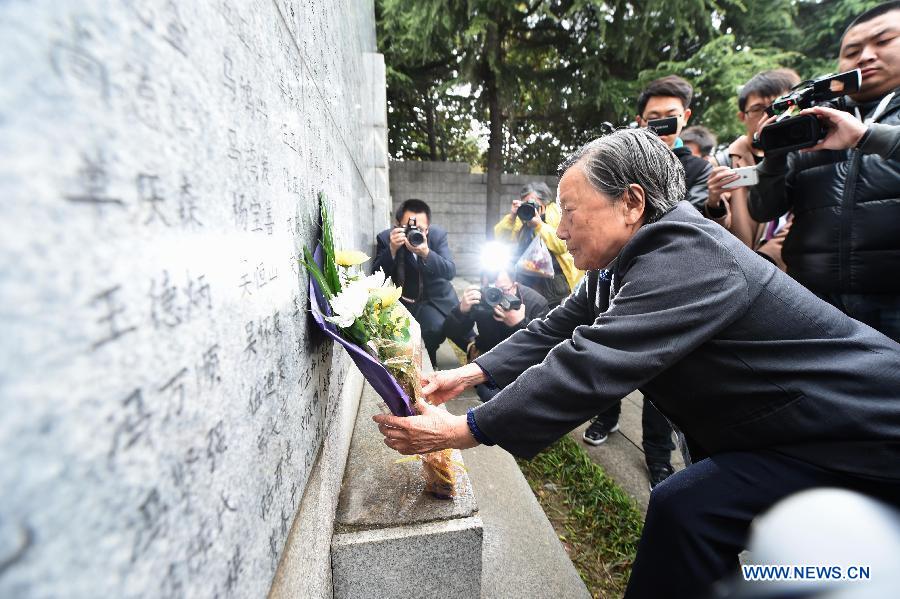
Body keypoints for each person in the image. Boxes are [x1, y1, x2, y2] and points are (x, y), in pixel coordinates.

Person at [373, 128, 900, 599]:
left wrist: (465, 428)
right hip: (793, 432)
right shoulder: (622, 263)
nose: (560, 230)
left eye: (570, 211)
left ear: (630, 202)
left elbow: (591, 362)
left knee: (702, 517)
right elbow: (556, 327)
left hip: (861, 428)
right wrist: (465, 374)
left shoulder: (688, 253)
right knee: (689, 513)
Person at [750, 2, 900, 342]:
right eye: (852, 51)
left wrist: (866, 137)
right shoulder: (812, 120)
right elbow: (763, 209)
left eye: (883, 41)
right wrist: (773, 158)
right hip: (816, 300)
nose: (866, 56)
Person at [705, 69, 801, 256]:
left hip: (789, 266)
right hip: (742, 264)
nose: (769, 115)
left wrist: (769, 257)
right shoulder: (723, 162)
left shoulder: (805, 155)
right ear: (742, 116)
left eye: (779, 106)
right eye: (758, 109)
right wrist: (714, 203)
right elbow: (715, 233)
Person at [442, 265, 549, 401]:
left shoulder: (534, 302)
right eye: (490, 289)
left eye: (503, 290)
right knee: (489, 393)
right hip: (488, 357)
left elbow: (545, 348)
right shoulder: (481, 298)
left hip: (521, 362)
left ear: (515, 285)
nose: (496, 295)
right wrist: (461, 310)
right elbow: (451, 332)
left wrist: (520, 323)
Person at [372, 198, 458, 366]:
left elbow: (450, 271)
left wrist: (426, 253)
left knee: (436, 328)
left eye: (420, 229)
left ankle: (431, 356)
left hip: (430, 300)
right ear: (397, 225)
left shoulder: (437, 236)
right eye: (408, 228)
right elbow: (376, 275)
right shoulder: (385, 238)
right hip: (402, 300)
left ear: (428, 229)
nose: (414, 232)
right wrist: (392, 249)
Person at [493, 182, 581, 308]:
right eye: (525, 203)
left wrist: (539, 226)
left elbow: (563, 245)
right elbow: (500, 239)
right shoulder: (522, 216)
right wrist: (511, 217)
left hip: (555, 284)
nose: (530, 207)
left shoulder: (557, 213)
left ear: (545, 202)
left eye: (533, 203)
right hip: (525, 282)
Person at [635, 75, 712, 210]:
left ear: (685, 117)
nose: (663, 124)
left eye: (671, 116)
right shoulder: (624, 162)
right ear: (640, 121)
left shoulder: (699, 169)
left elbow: (694, 216)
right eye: (654, 118)